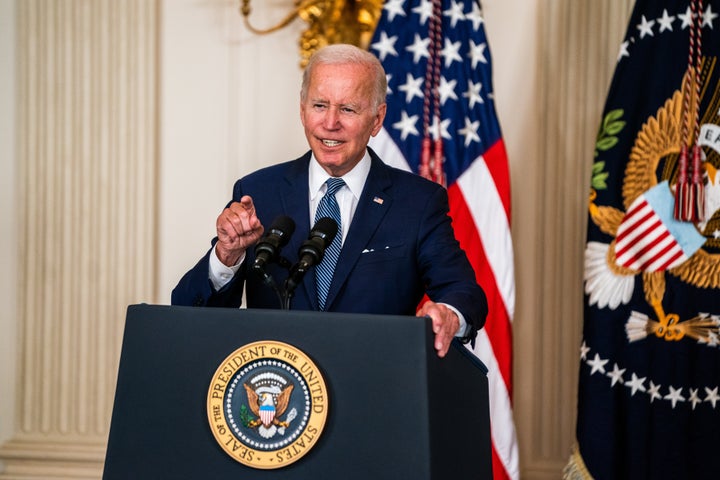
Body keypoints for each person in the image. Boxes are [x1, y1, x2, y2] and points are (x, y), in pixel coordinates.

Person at [172, 43, 487, 358]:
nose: (330, 123)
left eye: (348, 109)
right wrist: (227, 255)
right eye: (320, 105)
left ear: (377, 119)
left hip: (375, 391)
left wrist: (449, 316)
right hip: (276, 395)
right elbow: (188, 311)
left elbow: (464, 293)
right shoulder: (259, 192)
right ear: (302, 110)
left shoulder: (417, 202)